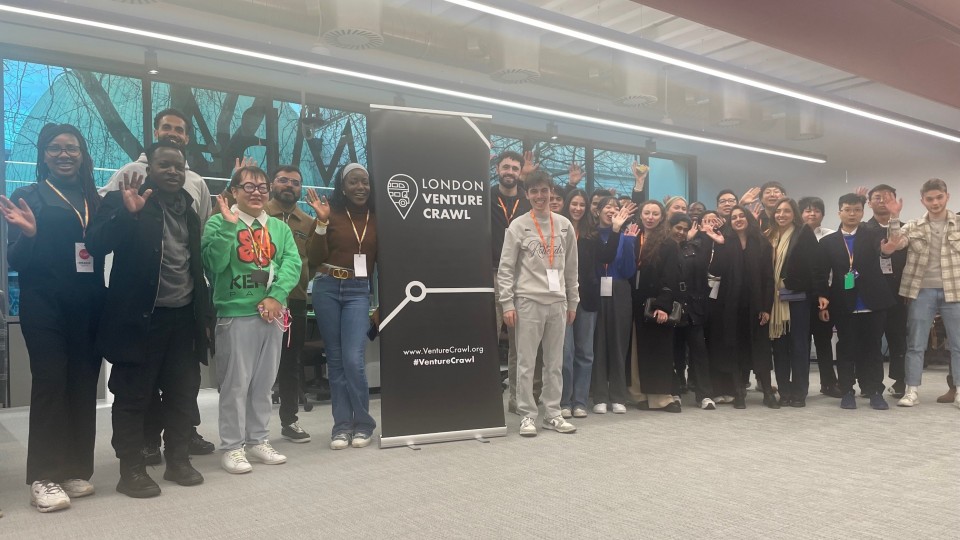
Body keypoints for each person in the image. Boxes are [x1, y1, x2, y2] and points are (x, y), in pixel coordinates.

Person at [85, 142, 212, 497]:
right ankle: (132, 471)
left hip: (183, 319)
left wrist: (203, 316)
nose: (173, 171)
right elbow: (95, 244)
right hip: (139, 321)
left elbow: (194, 265)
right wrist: (127, 213)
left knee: (182, 395)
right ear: (149, 168)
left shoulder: (188, 209)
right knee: (132, 397)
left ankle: (178, 461)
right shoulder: (125, 200)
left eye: (179, 167)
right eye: (165, 165)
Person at [0, 123, 105, 512]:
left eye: (72, 148)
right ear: (43, 155)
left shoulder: (95, 196)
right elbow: (15, 261)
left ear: (82, 154)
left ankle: (74, 468)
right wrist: (28, 235)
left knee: (82, 384)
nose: (65, 154)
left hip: (90, 303)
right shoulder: (29, 196)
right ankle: (43, 476)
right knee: (51, 381)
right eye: (56, 148)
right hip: (44, 304)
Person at [202, 165, 302, 472]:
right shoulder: (218, 223)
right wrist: (231, 228)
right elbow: (213, 265)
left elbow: (291, 263)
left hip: (272, 314)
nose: (256, 193)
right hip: (235, 315)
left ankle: (258, 439)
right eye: (248, 187)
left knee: (263, 383)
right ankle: (232, 447)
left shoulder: (279, 228)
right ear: (234, 191)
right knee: (235, 384)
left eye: (262, 188)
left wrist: (277, 297)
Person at [498, 170, 579, 437]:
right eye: (534, 191)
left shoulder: (565, 225)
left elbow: (571, 269)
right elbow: (506, 268)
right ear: (527, 194)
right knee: (526, 362)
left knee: (554, 363)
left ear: (551, 192)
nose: (539, 196)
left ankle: (553, 413)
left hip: (557, 303)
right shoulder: (518, 226)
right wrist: (507, 303)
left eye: (544, 190)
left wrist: (572, 302)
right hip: (528, 302)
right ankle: (527, 415)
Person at [306, 163, 379, 448]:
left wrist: (381, 304)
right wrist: (322, 223)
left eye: (365, 182)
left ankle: (363, 423)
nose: (360, 187)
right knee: (335, 361)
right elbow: (313, 257)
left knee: (353, 358)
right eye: (353, 182)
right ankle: (341, 426)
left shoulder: (377, 218)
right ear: (342, 186)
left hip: (358, 291)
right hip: (326, 287)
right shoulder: (329, 213)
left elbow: (384, 263)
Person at [815, 193, 898, 410]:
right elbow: (822, 272)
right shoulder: (828, 242)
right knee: (846, 348)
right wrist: (822, 296)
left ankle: (874, 391)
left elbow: (890, 243)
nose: (852, 214)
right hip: (843, 301)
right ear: (839, 212)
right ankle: (847, 391)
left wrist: (894, 221)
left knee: (873, 348)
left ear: (863, 212)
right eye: (848, 210)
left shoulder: (874, 233)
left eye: (857, 210)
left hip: (873, 300)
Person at [887, 179, 960, 409]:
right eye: (930, 199)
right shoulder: (914, 225)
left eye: (939, 197)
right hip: (921, 291)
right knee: (916, 344)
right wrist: (893, 217)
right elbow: (896, 243)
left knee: (958, 344)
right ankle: (911, 390)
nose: (935, 202)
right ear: (923, 201)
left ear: (947, 197)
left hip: (955, 291)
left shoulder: (958, 223)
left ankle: (959, 390)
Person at [708, 206, 778, 409]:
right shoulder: (725, 242)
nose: (738, 219)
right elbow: (715, 271)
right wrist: (719, 247)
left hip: (756, 305)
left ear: (748, 219)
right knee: (735, 347)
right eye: (734, 217)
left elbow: (768, 278)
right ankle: (739, 392)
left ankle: (767, 392)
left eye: (741, 216)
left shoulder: (762, 243)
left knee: (761, 349)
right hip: (730, 305)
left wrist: (766, 308)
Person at [265, 165, 315, 443]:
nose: (288, 186)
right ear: (273, 184)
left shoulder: (307, 222)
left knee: (290, 363)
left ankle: (290, 421)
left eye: (295, 182)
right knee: (256, 364)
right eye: (283, 180)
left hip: (294, 300)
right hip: (258, 298)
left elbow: (314, 260)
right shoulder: (258, 215)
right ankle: (251, 426)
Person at [559, 189, 618, 418]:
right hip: (561, 297)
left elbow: (606, 257)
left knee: (585, 352)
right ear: (567, 205)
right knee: (565, 352)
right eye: (574, 203)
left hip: (588, 297)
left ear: (587, 209)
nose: (577, 208)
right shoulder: (557, 229)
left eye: (582, 205)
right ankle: (564, 400)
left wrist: (615, 230)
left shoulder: (592, 233)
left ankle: (580, 401)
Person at [489, 151, 531, 415]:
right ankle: (487, 395)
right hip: (492, 274)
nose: (510, 172)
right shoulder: (485, 197)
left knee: (520, 345)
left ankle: (517, 398)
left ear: (520, 172)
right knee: (489, 337)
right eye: (506, 167)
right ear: (497, 168)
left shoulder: (528, 201)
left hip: (522, 276)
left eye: (515, 168)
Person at [768, 198, 819, 407]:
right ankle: (784, 390)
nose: (781, 214)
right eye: (778, 211)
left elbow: (816, 265)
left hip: (798, 297)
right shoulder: (769, 235)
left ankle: (799, 392)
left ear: (794, 214)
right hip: (773, 298)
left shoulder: (803, 233)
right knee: (779, 345)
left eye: (786, 211)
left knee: (799, 345)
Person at [632, 200, 682, 412]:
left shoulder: (668, 243)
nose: (650, 217)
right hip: (634, 300)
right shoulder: (633, 237)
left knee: (659, 350)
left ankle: (661, 398)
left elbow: (671, 276)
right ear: (641, 215)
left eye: (655, 213)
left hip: (656, 301)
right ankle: (637, 394)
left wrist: (663, 305)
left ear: (662, 217)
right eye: (646, 213)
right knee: (636, 350)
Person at [590, 197, 638, 415]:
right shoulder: (591, 236)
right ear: (598, 211)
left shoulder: (626, 237)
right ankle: (600, 394)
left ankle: (618, 395)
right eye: (607, 207)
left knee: (619, 343)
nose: (611, 210)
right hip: (596, 289)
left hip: (619, 289)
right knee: (598, 342)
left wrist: (627, 242)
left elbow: (629, 271)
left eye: (616, 208)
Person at [865, 184, 909, 398]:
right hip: (871, 291)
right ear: (869, 202)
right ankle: (869, 384)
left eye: (887, 197)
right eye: (877, 197)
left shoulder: (906, 228)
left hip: (899, 292)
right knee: (870, 339)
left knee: (898, 338)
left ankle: (900, 382)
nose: (882, 201)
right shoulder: (863, 229)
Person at [798, 196, 841, 398]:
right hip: (799, 297)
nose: (811, 214)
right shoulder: (793, 236)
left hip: (825, 296)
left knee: (823, 341)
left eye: (816, 210)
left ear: (823, 214)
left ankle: (829, 383)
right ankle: (800, 386)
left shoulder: (832, 237)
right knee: (801, 342)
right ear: (800, 214)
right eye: (807, 210)